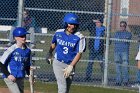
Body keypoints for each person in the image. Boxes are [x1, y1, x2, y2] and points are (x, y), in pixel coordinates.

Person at [45, 13, 86, 93]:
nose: (73, 27)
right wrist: (49, 53)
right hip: (58, 63)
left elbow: (79, 53)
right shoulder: (59, 32)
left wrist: (71, 66)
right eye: (70, 24)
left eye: (75, 24)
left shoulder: (79, 37)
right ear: (65, 23)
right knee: (62, 88)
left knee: (66, 89)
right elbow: (53, 43)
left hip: (70, 64)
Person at [0, 27, 31, 93]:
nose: (24, 38)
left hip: (20, 76)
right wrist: (8, 75)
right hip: (10, 76)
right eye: (21, 36)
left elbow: (27, 65)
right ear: (16, 38)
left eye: (24, 36)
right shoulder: (11, 49)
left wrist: (29, 75)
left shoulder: (27, 50)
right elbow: (1, 63)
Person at [114, 21, 132, 86]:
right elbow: (116, 39)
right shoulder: (117, 33)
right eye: (121, 26)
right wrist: (122, 39)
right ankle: (118, 81)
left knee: (125, 67)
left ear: (125, 26)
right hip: (117, 51)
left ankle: (125, 81)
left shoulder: (128, 33)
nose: (122, 27)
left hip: (124, 52)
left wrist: (121, 39)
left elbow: (126, 39)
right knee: (117, 67)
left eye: (123, 26)